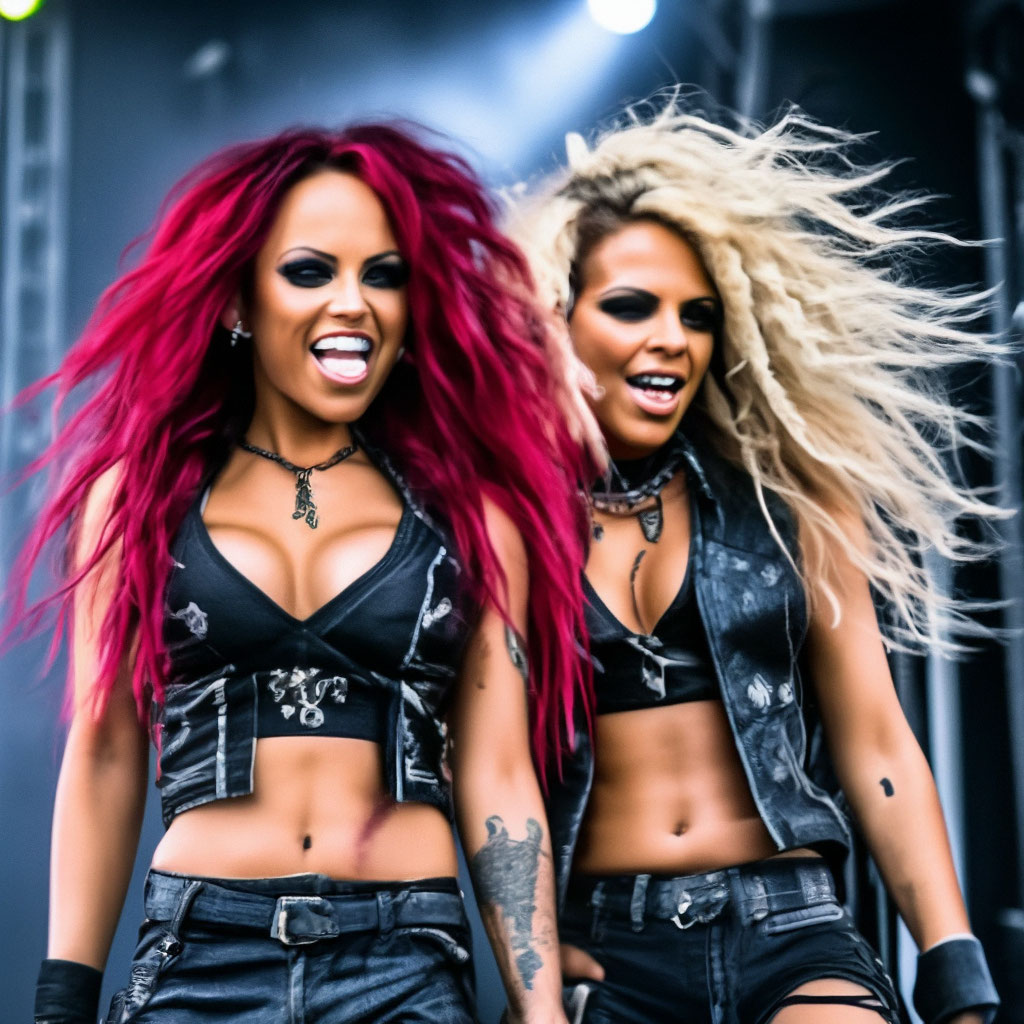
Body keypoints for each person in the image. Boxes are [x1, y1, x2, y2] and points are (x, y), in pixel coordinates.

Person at [20, 122, 595, 1024]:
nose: (353, 302)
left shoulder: (473, 521)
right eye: (310, 271)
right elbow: (104, 749)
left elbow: (497, 773)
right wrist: (63, 1002)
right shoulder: (139, 499)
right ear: (236, 303)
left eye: (383, 275)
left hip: (405, 962)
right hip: (199, 960)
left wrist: (540, 1005)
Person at [509, 102, 1002, 1024]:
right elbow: (469, 767)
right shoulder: (506, 521)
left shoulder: (790, 496)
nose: (672, 338)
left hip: (790, 932)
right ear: (552, 320)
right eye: (630, 306)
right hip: (606, 952)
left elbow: (877, 742)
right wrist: (527, 965)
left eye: (697, 316)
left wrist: (955, 973)